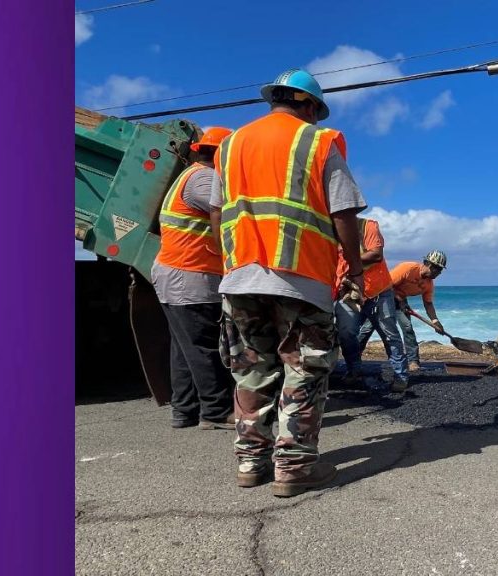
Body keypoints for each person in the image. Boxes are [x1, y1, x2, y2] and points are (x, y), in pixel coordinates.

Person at [209, 68, 366, 497]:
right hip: (301, 278)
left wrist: (231, 263)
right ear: (309, 106)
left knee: (251, 370)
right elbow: (343, 213)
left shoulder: (231, 145)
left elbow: (217, 211)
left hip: (240, 276)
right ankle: (294, 467)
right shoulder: (317, 141)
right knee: (304, 369)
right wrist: (354, 267)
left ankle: (250, 462)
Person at [151, 126, 236, 430]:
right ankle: (216, 410)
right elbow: (230, 215)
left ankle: (185, 410)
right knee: (202, 345)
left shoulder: (191, 175)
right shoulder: (204, 178)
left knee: (184, 348)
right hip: (189, 275)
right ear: (221, 154)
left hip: (177, 273)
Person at [333, 217, 410, 393]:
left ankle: (401, 375)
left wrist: (350, 269)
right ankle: (354, 370)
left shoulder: (367, 226)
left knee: (389, 334)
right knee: (346, 333)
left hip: (378, 292)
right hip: (347, 293)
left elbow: (376, 254)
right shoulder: (328, 232)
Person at [358, 251, 447, 373]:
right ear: (428, 264)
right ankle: (355, 357)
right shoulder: (408, 268)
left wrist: (435, 321)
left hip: (400, 302)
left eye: (441, 270)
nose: (439, 273)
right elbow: (386, 284)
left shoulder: (429, 285)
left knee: (407, 327)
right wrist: (400, 300)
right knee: (368, 328)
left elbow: (428, 303)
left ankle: (413, 361)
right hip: (382, 297)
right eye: (438, 269)